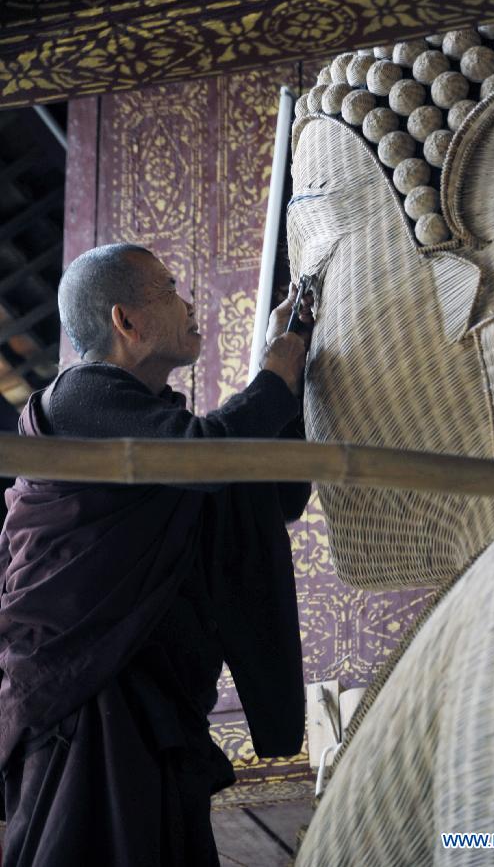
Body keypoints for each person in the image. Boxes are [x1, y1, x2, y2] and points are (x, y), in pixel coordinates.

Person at [0, 243, 314, 867]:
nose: (190, 302)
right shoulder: (78, 396)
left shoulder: (159, 425)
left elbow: (269, 494)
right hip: (89, 697)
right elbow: (208, 457)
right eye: (170, 288)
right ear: (126, 320)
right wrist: (277, 371)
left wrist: (292, 386)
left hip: (154, 694)